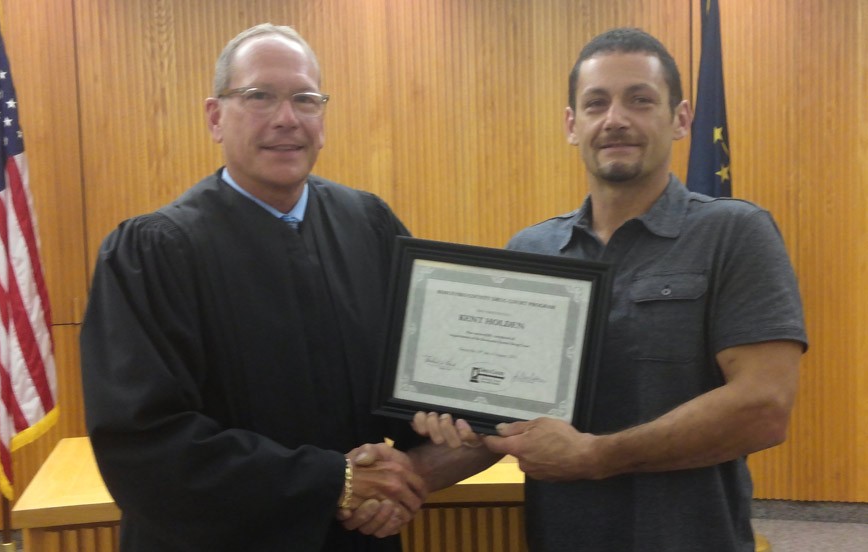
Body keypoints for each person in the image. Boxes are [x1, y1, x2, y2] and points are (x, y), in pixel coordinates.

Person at [80, 23, 490, 552]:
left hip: (355, 539)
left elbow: (420, 390)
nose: (286, 118)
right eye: (259, 97)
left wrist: (404, 475)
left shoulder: (370, 227)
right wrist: (333, 483)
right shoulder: (154, 252)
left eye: (305, 99)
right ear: (214, 117)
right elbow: (144, 446)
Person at [413, 27, 807, 552]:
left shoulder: (735, 233)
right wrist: (402, 472)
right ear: (573, 125)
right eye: (596, 103)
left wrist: (595, 456)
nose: (615, 119)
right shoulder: (532, 251)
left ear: (681, 118)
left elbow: (763, 407)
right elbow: (504, 420)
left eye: (640, 100)